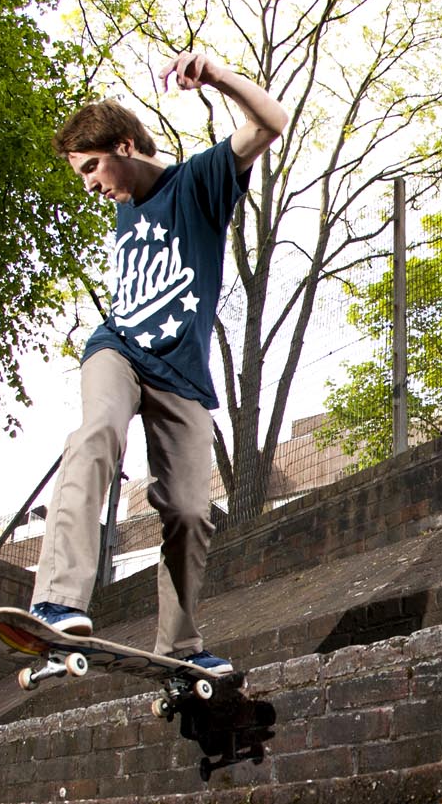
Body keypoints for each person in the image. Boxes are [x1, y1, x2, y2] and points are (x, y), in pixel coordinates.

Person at [25, 51, 287, 675]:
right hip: (117, 349)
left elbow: (271, 122)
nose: (90, 184)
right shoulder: (122, 204)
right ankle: (58, 603)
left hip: (183, 377)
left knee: (191, 512)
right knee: (97, 434)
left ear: (125, 144)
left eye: (92, 167)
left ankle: (180, 650)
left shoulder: (198, 183)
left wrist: (218, 76)